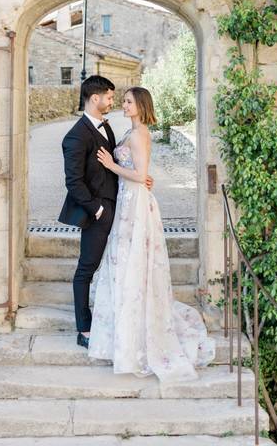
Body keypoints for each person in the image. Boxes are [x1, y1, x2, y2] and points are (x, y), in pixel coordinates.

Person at [87, 86, 214, 382]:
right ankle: (124, 336)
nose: (124, 105)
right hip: (128, 201)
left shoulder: (140, 133)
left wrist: (112, 165)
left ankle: (138, 341)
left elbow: (140, 174)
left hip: (136, 204)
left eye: (129, 101)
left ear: (141, 105)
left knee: (133, 263)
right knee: (123, 263)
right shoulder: (132, 132)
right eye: (124, 101)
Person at [58, 75, 153, 348]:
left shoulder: (108, 128)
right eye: (110, 98)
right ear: (95, 98)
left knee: (119, 263)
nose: (114, 102)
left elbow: (122, 162)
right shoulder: (75, 136)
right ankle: (84, 329)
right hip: (98, 212)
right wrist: (96, 208)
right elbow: (73, 181)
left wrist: (140, 177)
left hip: (122, 205)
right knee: (87, 268)